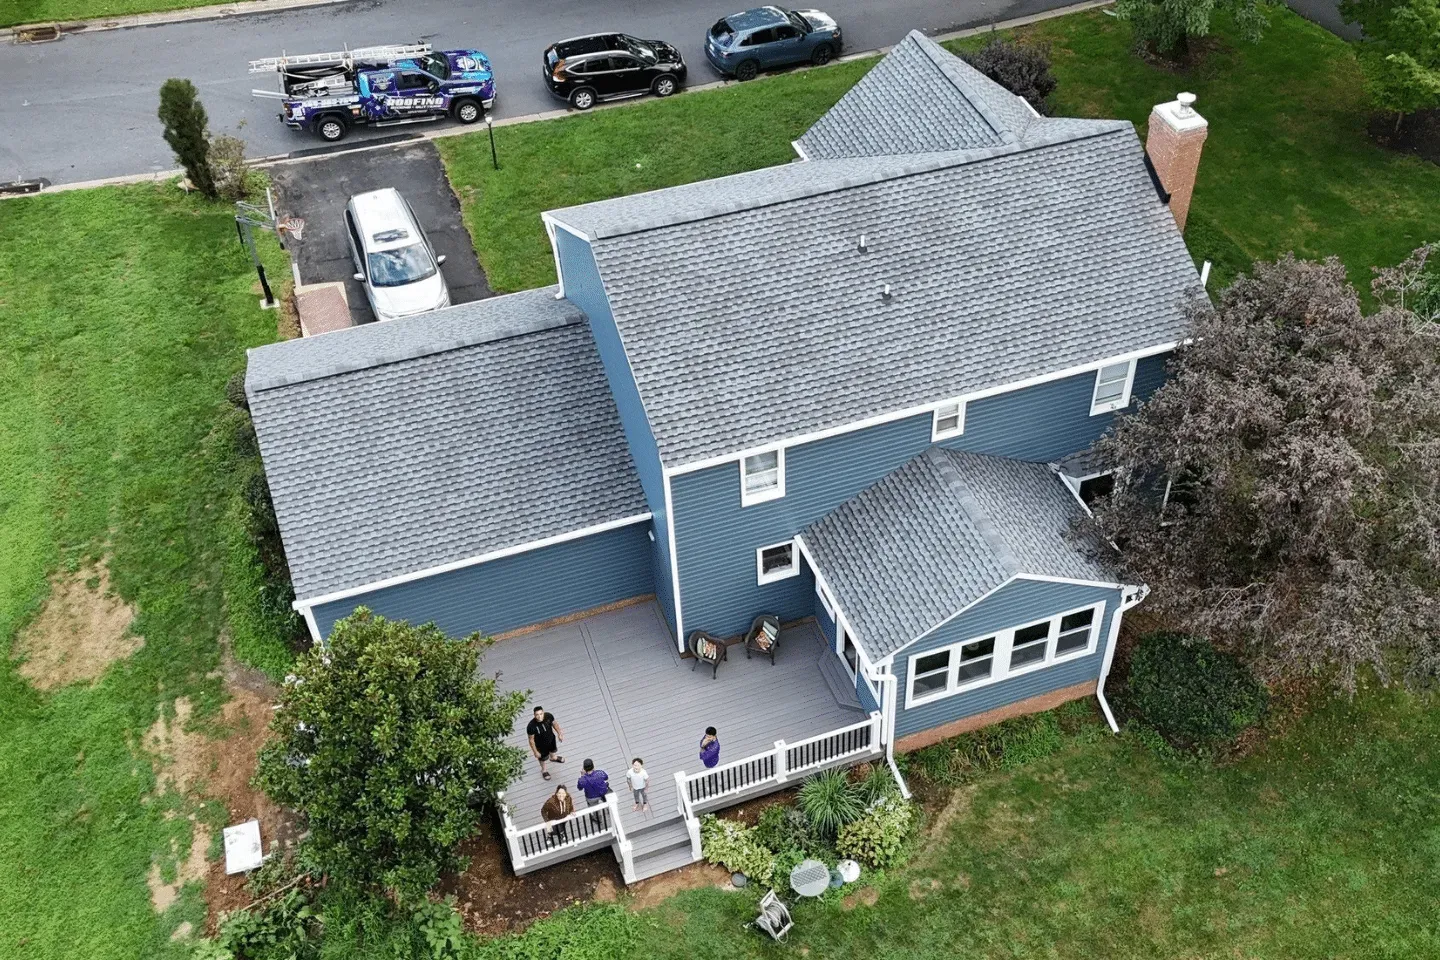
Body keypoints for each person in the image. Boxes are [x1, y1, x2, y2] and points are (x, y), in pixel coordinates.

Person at [526, 706, 564, 780]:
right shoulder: (531, 726)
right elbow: (531, 740)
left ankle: (553, 758)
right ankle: (544, 770)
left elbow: (555, 724)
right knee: (542, 758)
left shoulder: (548, 716)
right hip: (540, 745)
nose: (539, 716)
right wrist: (535, 752)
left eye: (541, 714)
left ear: (543, 712)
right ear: (534, 715)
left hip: (551, 739)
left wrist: (559, 733)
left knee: (553, 750)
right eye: (537, 714)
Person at [577, 759, 611, 826]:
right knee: (607, 800)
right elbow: (606, 777)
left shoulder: (582, 779)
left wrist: (582, 776)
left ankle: (598, 819)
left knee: (595, 809)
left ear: (584, 768)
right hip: (603, 793)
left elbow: (579, 788)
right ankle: (609, 810)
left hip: (591, 797)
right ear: (593, 766)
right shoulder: (600, 773)